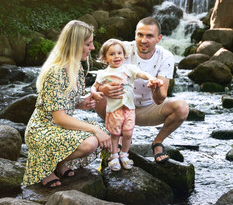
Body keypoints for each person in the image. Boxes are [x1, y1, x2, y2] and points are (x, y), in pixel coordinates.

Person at [23, 20, 111, 188]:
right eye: (88, 44)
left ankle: (57, 162)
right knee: (92, 141)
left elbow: (61, 102)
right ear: (75, 45)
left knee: (109, 133)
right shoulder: (55, 72)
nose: (92, 48)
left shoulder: (76, 68)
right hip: (42, 130)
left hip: (58, 128)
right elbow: (60, 118)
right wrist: (95, 129)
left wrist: (81, 104)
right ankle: (45, 165)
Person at [95, 17, 189, 164]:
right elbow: (102, 77)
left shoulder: (166, 57)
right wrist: (102, 88)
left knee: (182, 108)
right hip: (119, 107)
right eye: (140, 35)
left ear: (159, 38)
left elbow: (160, 99)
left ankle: (157, 143)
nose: (143, 40)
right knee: (98, 97)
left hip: (148, 109)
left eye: (149, 36)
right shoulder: (122, 49)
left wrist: (155, 89)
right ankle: (117, 135)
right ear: (135, 35)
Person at [91, 39, 164, 171]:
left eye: (119, 53)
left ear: (124, 55)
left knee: (128, 133)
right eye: (112, 54)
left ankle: (124, 154)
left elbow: (142, 73)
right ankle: (114, 156)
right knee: (115, 134)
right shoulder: (103, 73)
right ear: (104, 58)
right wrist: (95, 94)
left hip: (129, 108)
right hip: (114, 109)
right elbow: (94, 87)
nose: (117, 56)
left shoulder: (129, 69)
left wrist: (151, 78)